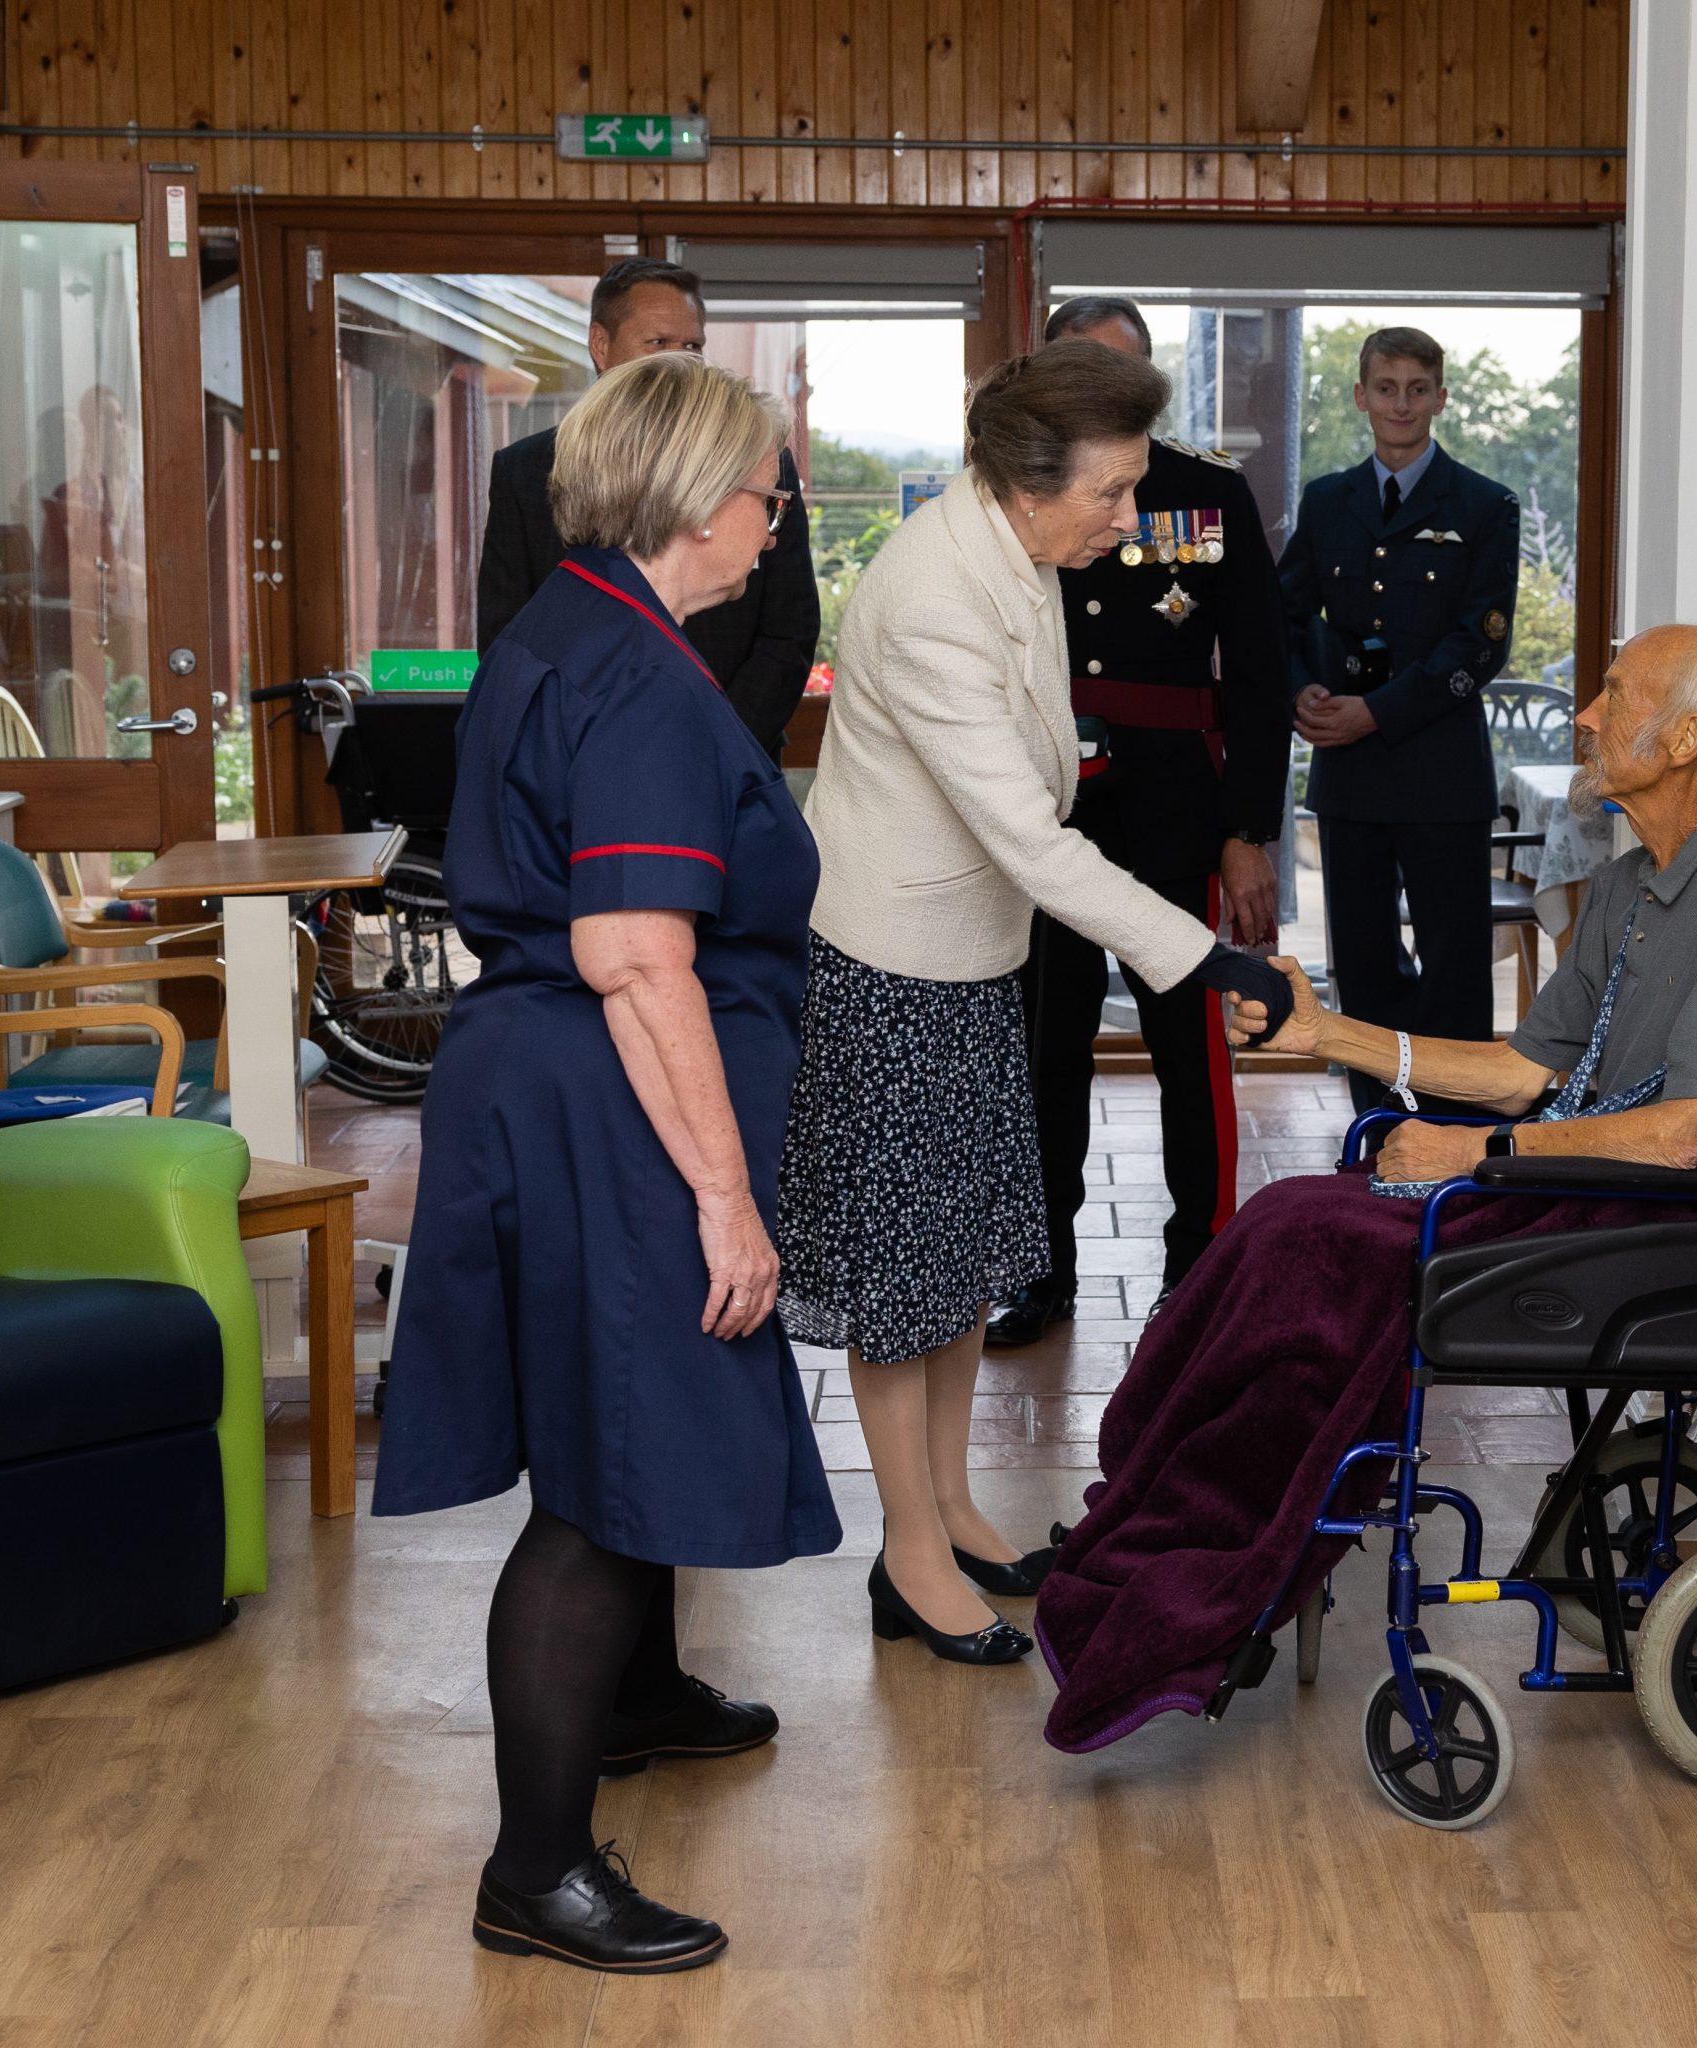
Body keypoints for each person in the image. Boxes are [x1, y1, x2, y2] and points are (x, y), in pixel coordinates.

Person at [1035, 624, 1697, 1753]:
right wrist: (1329, 1030)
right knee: (1287, 1215)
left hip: (1662, 1214)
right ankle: (1161, 1509)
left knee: (1313, 1250)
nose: (1584, 714)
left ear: (1687, 737)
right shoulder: (1630, 882)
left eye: (1614, 694)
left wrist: (1470, 1158)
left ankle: (1205, 1552)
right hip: (1577, 1187)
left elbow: (1676, 1138)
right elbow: (1525, 1071)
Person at [371, 353, 838, 1974]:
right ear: (706, 495)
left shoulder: (568, 622)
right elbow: (641, 958)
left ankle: (642, 1696)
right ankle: (541, 1868)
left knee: (614, 1424)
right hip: (613, 1097)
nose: (778, 524)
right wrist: (724, 1192)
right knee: (609, 1470)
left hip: (545, 1083)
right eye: (772, 491)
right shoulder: (641, 680)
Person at [777, 339, 1277, 1666]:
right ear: (1027, 477)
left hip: (966, 954)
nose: (1130, 516)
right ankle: (909, 1557)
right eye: (1113, 491)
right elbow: (1027, 835)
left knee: (949, 1268)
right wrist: (1202, 954)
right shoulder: (938, 594)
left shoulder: (1022, 555)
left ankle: (952, 1511)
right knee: (904, 1278)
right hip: (893, 965)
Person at [986, 296, 1293, 1348]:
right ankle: (1042, 1269)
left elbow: (1258, 673)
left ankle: (1199, 1270)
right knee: (1045, 1042)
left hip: (1176, 799)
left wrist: (1248, 824)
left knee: (1187, 1042)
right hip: (1050, 801)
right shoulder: (1018, 494)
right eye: (1082, 370)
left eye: (1121, 374)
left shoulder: (1203, 492)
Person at [1279, 326, 1521, 1113]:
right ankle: (1378, 1124)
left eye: (1418, 389)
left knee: (1452, 964)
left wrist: (1374, 714)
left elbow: (1479, 644)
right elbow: (1281, 619)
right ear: (1361, 396)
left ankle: (1451, 1127)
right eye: (1386, 388)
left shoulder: (1485, 505)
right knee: (1364, 961)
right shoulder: (1326, 501)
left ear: (1441, 398)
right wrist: (1301, 692)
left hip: (1441, 772)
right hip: (1350, 779)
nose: (1402, 404)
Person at [476, 257, 820, 760]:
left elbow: (789, 631)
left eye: (693, 346)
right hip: (581, 757)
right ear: (601, 345)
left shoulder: (763, 461)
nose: (680, 361)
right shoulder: (527, 471)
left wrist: (712, 741)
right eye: (658, 343)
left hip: (735, 750)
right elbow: (508, 640)